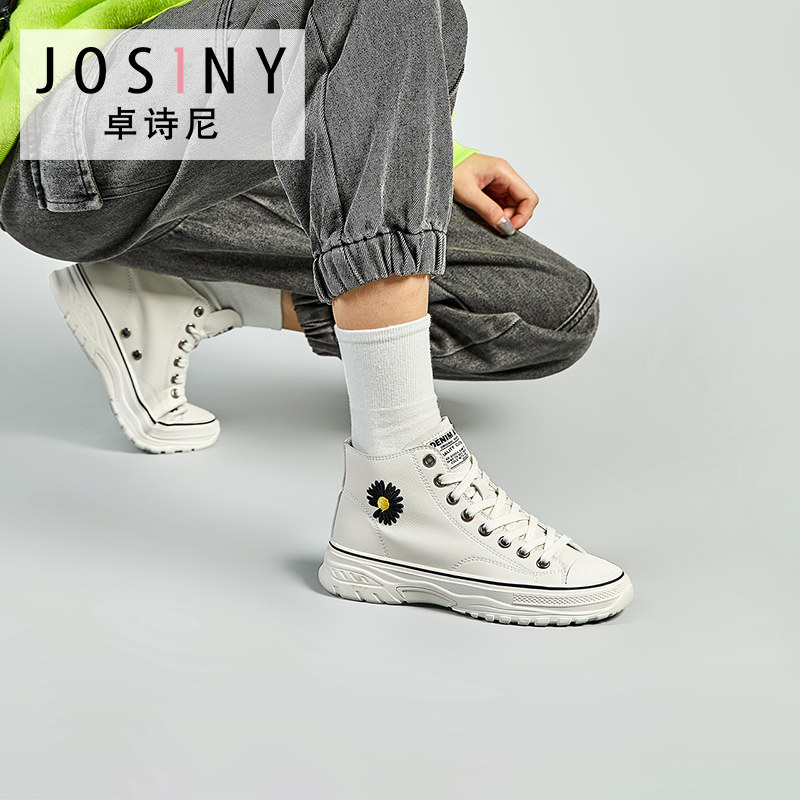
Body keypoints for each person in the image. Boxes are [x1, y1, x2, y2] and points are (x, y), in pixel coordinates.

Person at [0, 0, 633, 625]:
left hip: (219, 133)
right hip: (64, 130)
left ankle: (178, 290)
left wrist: (440, 152)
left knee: (547, 311)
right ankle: (397, 484)